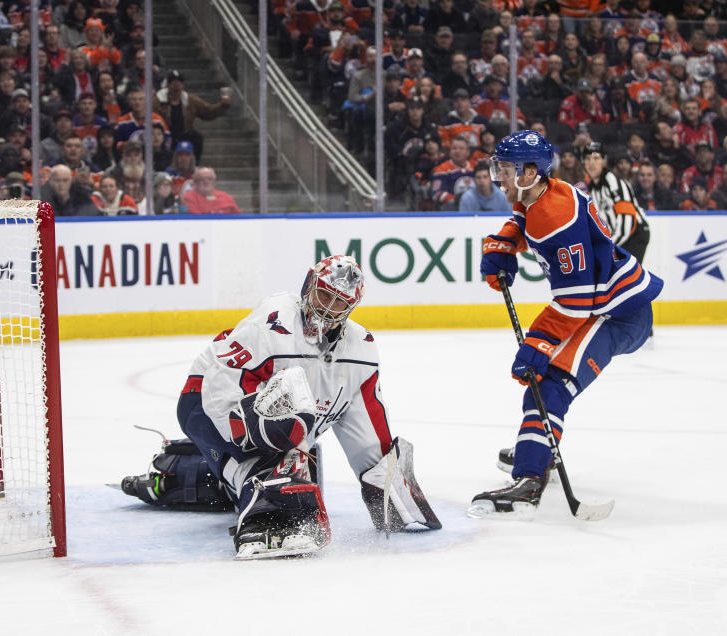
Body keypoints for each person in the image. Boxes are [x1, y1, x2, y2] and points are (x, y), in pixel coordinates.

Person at [120, 255, 441, 558]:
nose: (328, 309)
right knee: (272, 473)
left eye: (340, 303)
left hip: (279, 427)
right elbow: (221, 388)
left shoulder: (361, 350)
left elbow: (363, 419)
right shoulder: (273, 322)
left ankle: (183, 473)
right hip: (204, 401)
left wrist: (381, 478)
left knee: (296, 471)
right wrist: (251, 446)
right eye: (323, 296)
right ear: (308, 286)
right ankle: (245, 494)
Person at [470, 130, 663, 517]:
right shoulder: (543, 190)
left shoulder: (557, 219)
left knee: (550, 380)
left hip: (616, 314)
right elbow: (523, 219)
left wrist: (538, 341)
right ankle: (537, 449)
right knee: (546, 381)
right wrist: (506, 242)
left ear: (529, 171)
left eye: (505, 169)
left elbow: (576, 301)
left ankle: (528, 481)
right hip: (604, 304)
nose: (498, 177)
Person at [582, 142, 651, 264]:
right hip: (618, 238)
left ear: (604, 161)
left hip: (634, 235)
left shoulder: (615, 183)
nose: (591, 163)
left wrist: (608, 245)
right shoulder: (592, 189)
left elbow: (627, 222)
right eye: (587, 158)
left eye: (596, 158)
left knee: (626, 279)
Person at [154, 69, 231, 162]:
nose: (176, 86)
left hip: (184, 133)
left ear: (183, 85)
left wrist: (222, 105)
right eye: (173, 83)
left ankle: (195, 165)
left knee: (197, 138)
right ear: (168, 86)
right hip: (165, 134)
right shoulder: (158, 101)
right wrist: (163, 113)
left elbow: (207, 111)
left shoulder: (190, 100)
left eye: (179, 83)